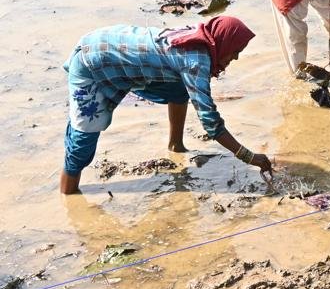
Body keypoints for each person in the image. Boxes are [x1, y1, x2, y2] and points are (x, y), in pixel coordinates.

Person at [60, 17, 272, 195]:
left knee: (178, 88)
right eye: (235, 51)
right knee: (83, 140)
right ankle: (68, 194)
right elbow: (211, 123)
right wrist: (248, 156)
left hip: (115, 52)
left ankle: (176, 146)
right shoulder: (195, 61)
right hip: (91, 61)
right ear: (223, 41)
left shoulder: (200, 37)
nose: (234, 57)